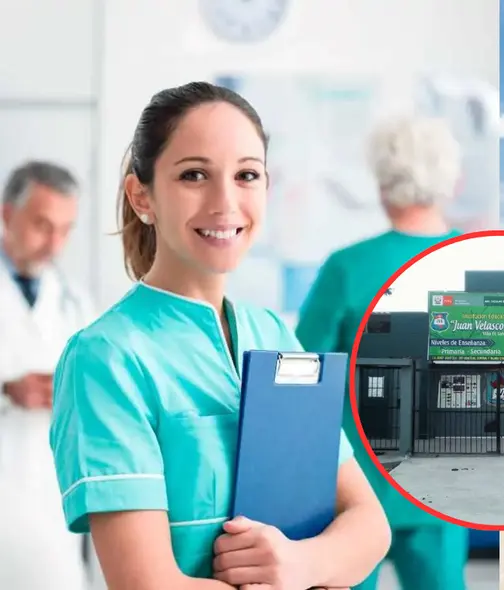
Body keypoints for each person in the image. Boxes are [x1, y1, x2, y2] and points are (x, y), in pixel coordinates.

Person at [48, 81, 391, 589]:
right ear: (142, 196)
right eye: (194, 175)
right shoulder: (108, 357)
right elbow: (148, 584)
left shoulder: (273, 334)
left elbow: (369, 526)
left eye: (247, 175)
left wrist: (297, 565)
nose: (225, 201)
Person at [296, 114, 470, 590]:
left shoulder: (346, 269)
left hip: (355, 489)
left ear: (381, 184)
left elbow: (298, 374)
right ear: (453, 181)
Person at [0, 161, 96, 589]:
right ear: (6, 215)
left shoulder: (76, 303)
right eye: (42, 225)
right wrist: (5, 390)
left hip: (49, 514)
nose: (54, 243)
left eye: (66, 229)